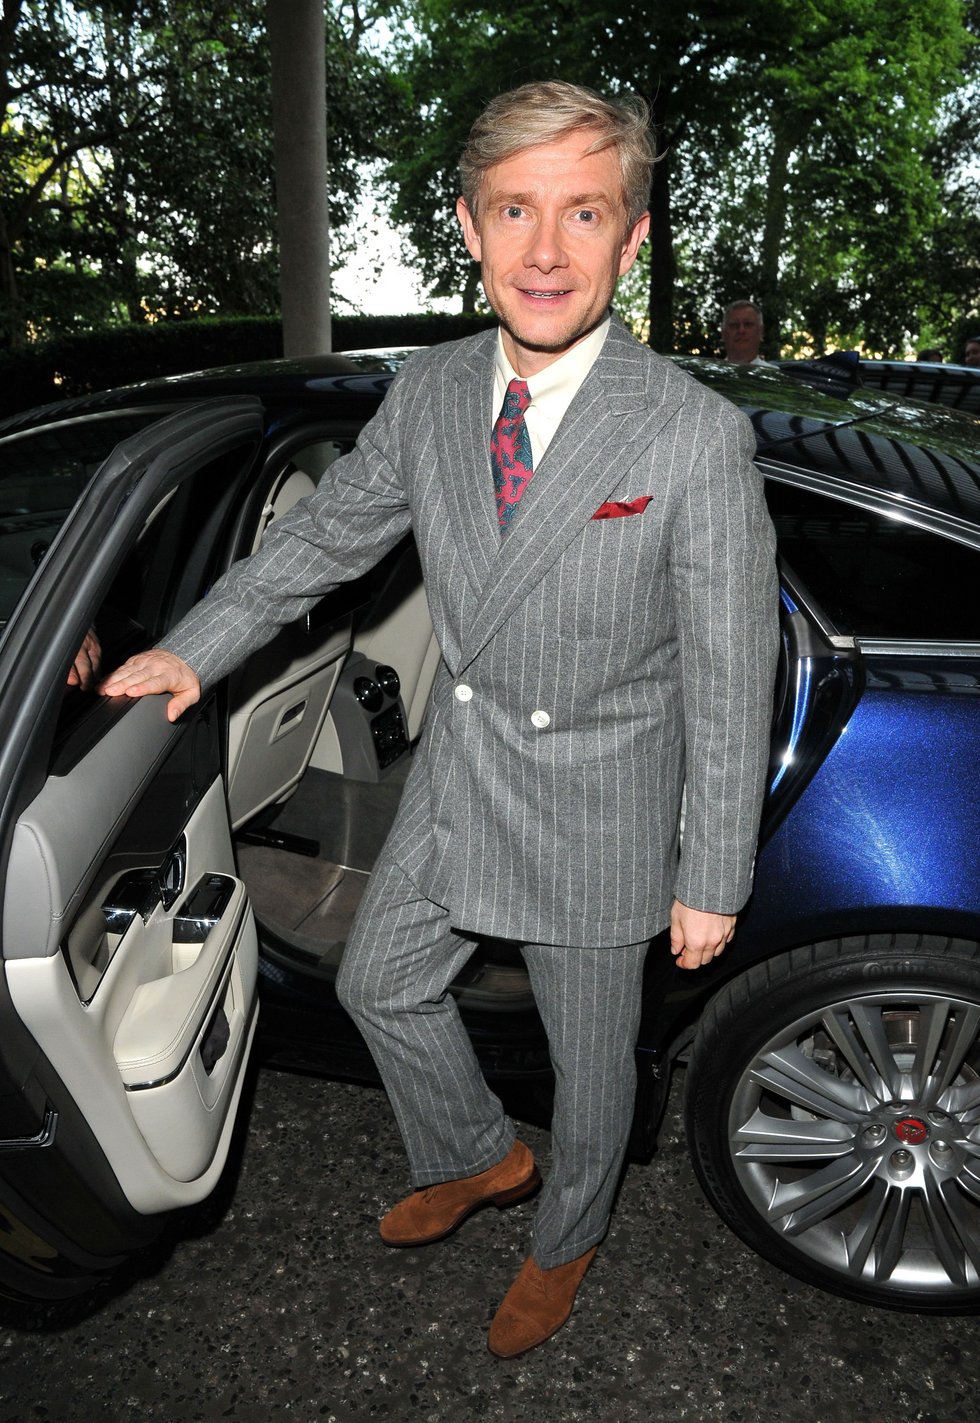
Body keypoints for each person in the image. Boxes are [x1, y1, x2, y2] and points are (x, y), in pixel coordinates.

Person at [101, 81, 779, 1358]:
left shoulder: (690, 435)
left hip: (600, 803)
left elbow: (732, 670)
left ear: (631, 238)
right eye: (514, 210)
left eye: (583, 213)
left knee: (590, 1069)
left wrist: (711, 873)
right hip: (465, 768)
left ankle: (565, 1235)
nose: (545, 250)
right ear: (468, 226)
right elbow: (321, 544)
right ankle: (477, 1152)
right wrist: (192, 647)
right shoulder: (429, 389)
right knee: (377, 981)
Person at [721, 299, 770, 364]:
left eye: (748, 324)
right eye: (734, 325)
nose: (741, 330)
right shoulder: (710, 370)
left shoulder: (773, 370)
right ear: (723, 333)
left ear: (761, 331)